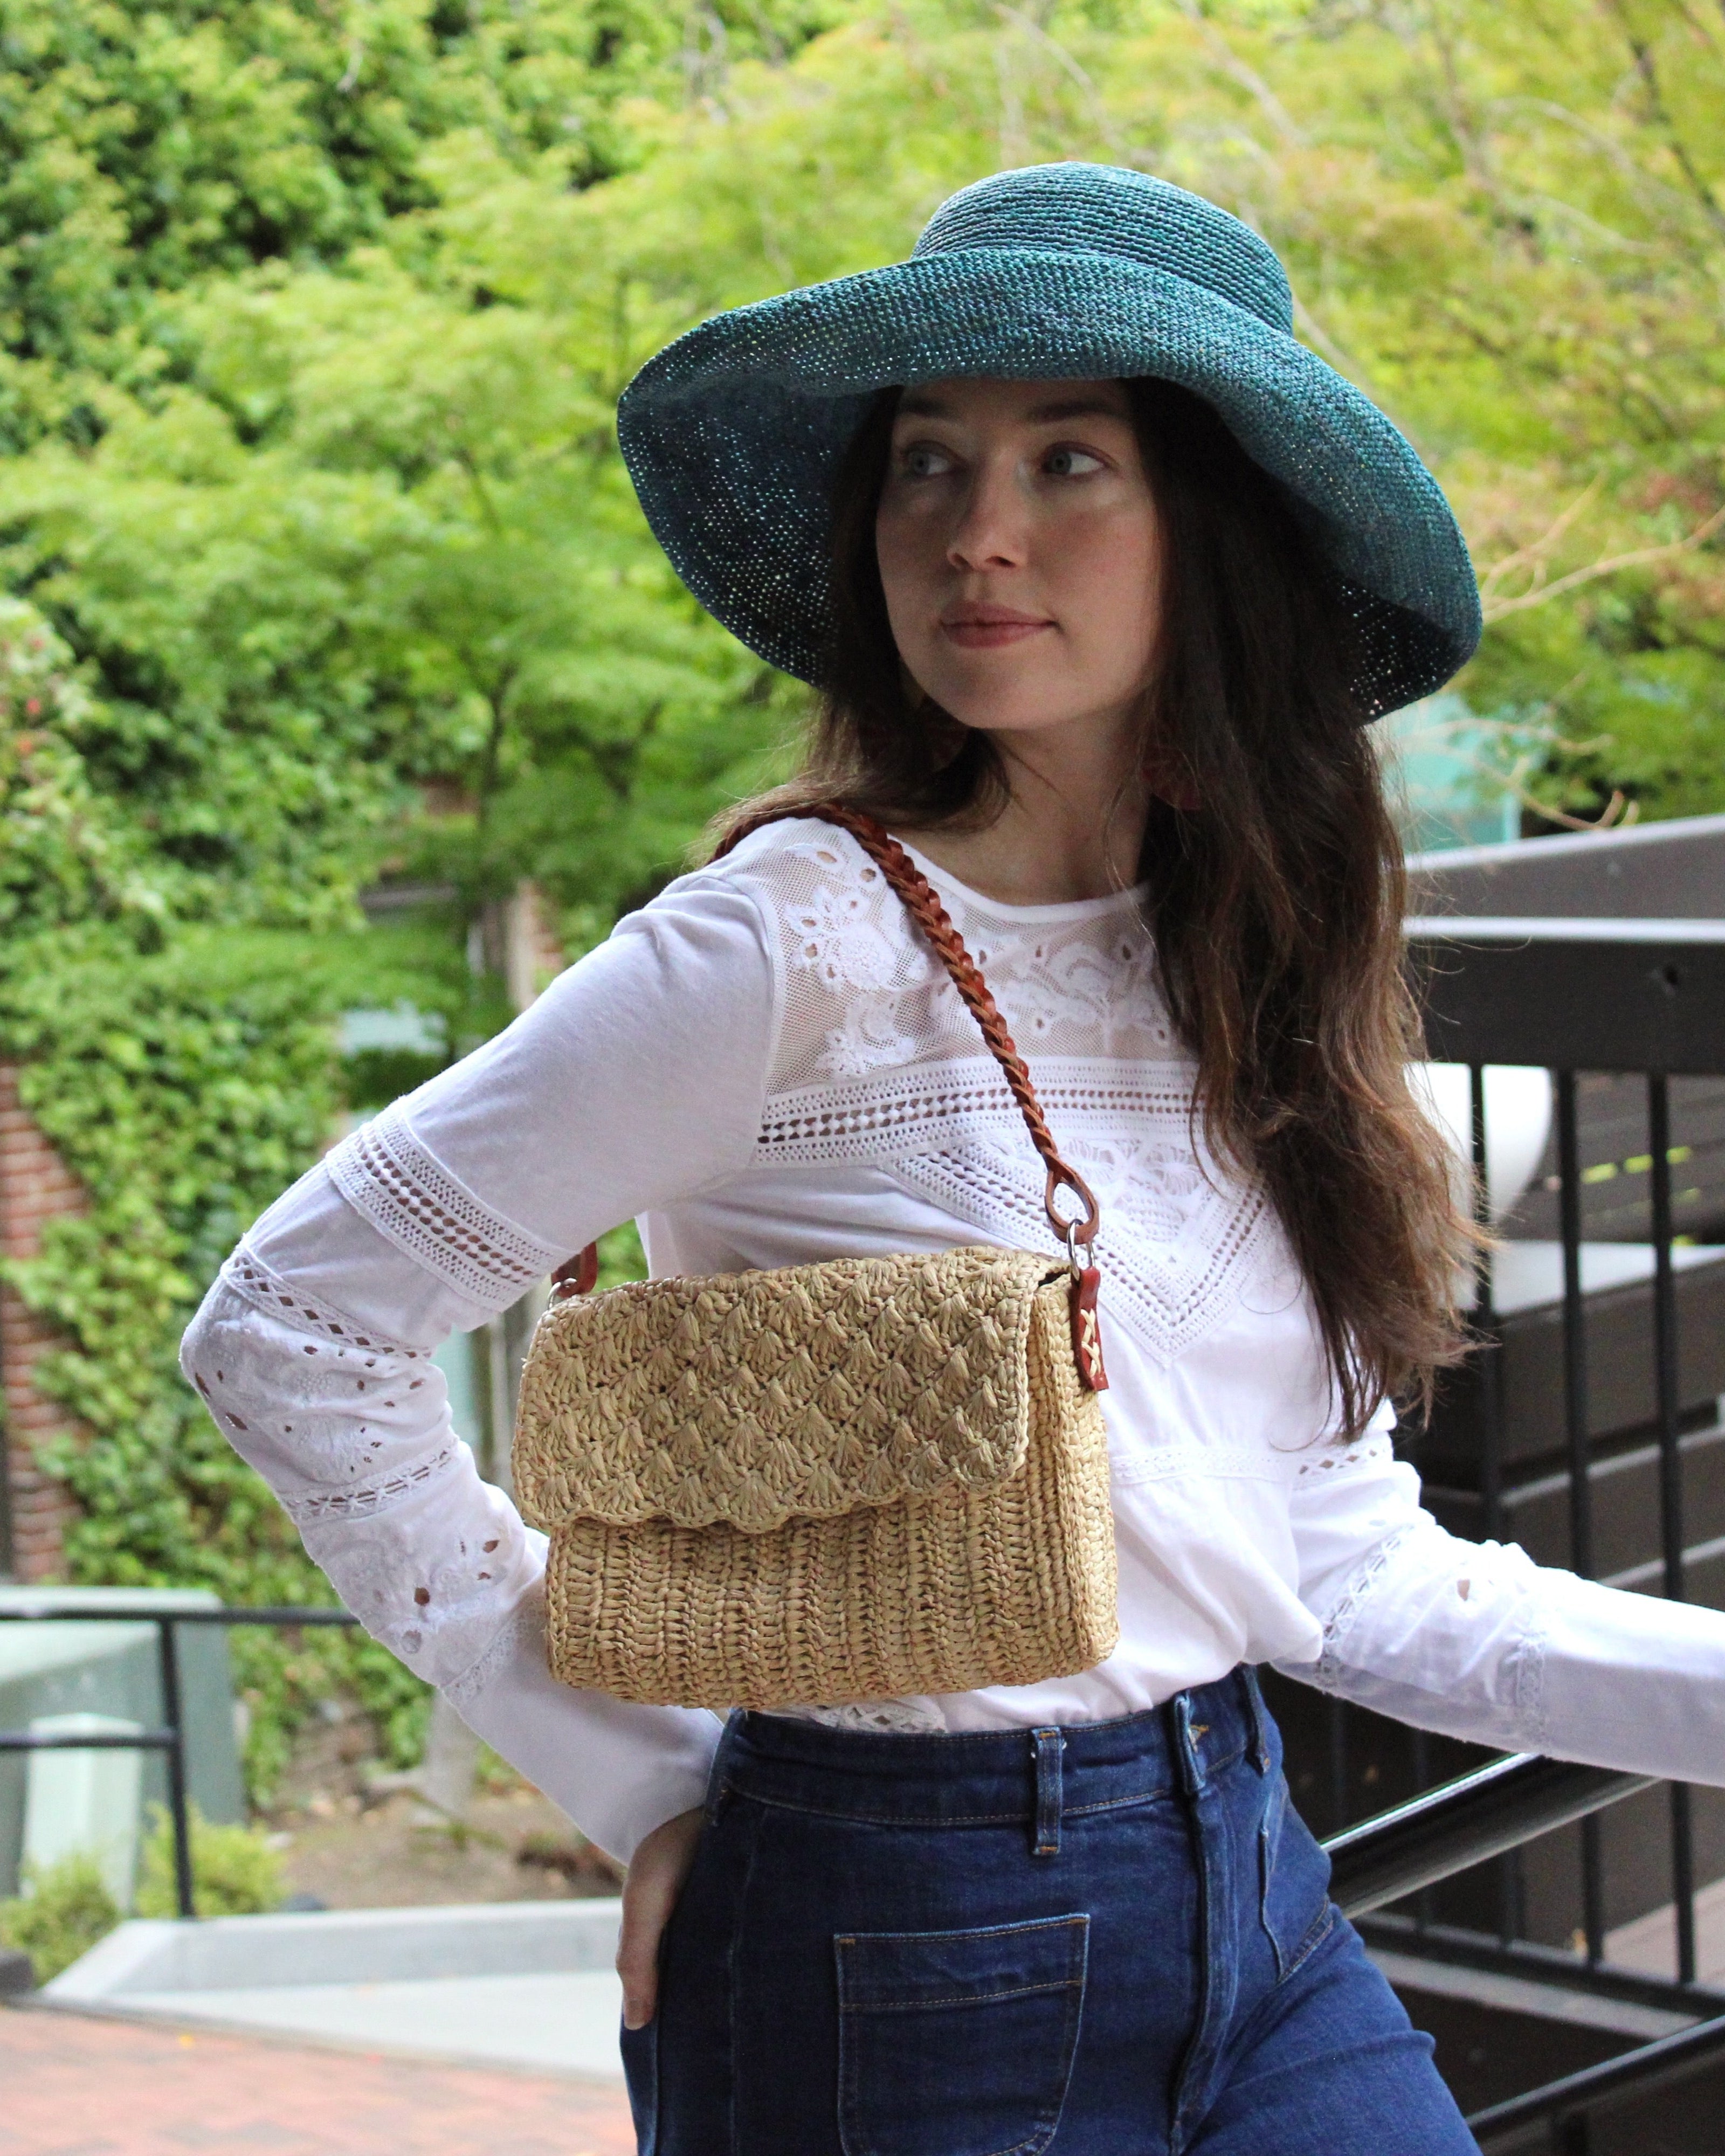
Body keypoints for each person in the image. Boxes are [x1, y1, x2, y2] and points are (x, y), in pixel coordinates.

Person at [182, 165, 1725, 2154]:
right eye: (928, 466)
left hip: (1254, 1888)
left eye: (1068, 461)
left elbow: (1345, 1576)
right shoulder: (795, 943)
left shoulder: (1244, 958)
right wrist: (635, 1777)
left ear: (1213, 532)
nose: (978, 534)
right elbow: (294, 1324)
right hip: (884, 1947)